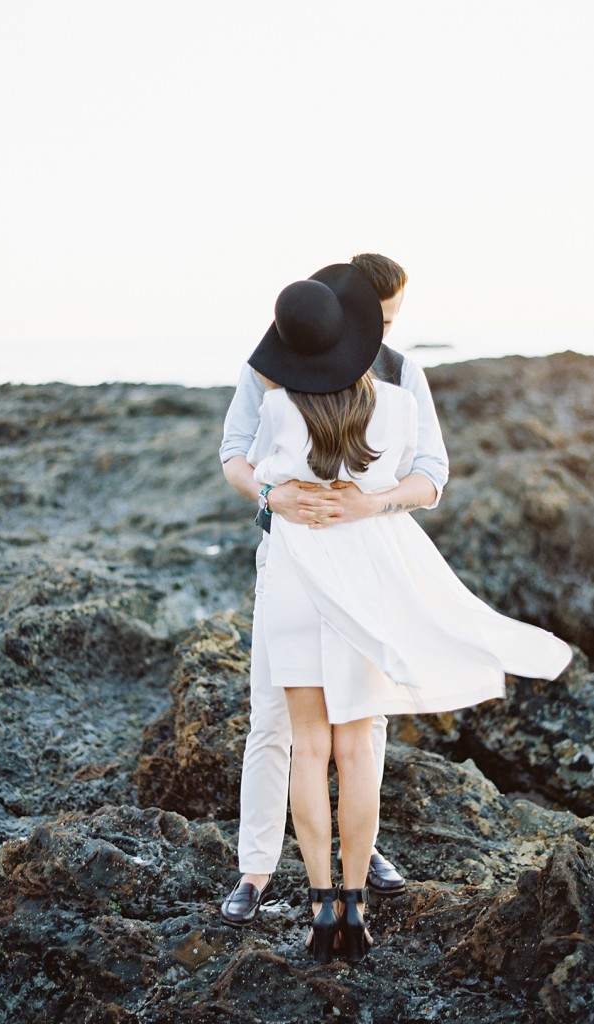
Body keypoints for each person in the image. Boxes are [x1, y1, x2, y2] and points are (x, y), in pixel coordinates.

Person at [240, 263, 571, 962]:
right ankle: (356, 910)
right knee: (359, 748)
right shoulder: (393, 404)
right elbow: (422, 477)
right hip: (364, 579)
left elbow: (252, 467)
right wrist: (368, 498)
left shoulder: (273, 406)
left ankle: (320, 909)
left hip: (295, 581)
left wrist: (283, 493)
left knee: (308, 747)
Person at [219, 255, 449, 927]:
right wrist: (271, 491)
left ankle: (360, 849)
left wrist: (365, 506)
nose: (383, 333)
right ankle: (255, 869)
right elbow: (235, 450)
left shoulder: (404, 374)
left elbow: (432, 474)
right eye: (375, 320)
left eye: (390, 322)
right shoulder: (269, 364)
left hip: (365, 567)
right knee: (272, 718)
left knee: (363, 717)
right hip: (286, 564)